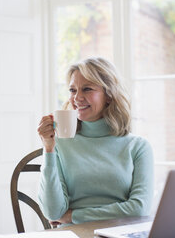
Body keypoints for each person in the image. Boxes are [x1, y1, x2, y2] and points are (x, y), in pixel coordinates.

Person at [37, 57, 154, 225]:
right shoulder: (60, 144)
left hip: (122, 234)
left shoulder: (138, 147)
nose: (77, 98)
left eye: (87, 89)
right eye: (72, 90)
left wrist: (73, 216)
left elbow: (139, 209)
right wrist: (48, 149)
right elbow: (53, 212)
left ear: (109, 95)